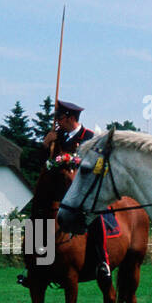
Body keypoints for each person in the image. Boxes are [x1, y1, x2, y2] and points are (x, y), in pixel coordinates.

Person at [43, 100, 109, 284]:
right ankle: (33, 264)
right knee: (40, 212)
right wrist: (46, 145)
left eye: (60, 118)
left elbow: (99, 164)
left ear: (71, 118)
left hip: (82, 190)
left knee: (95, 217)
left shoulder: (90, 137)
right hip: (59, 190)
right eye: (56, 118)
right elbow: (46, 164)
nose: (57, 122)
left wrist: (75, 162)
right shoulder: (58, 137)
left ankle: (102, 260)